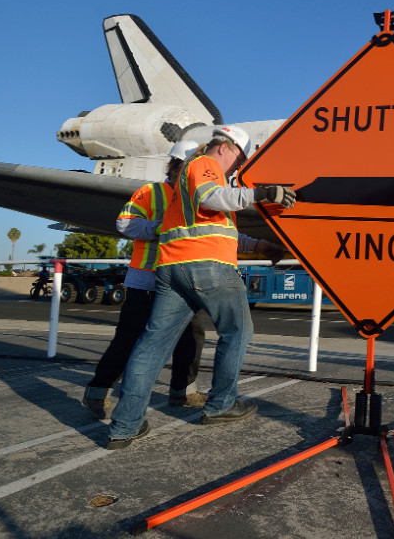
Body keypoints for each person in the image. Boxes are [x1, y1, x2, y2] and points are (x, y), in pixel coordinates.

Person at [106, 126, 295, 449]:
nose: (238, 167)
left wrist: (261, 246)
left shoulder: (183, 188)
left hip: (171, 270)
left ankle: (124, 426)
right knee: (237, 332)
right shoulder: (204, 165)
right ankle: (221, 405)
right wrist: (261, 193)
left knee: (152, 346)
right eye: (239, 159)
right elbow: (213, 198)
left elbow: (215, 230)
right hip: (208, 268)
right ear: (226, 147)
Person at [82, 140, 208, 420]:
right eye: (189, 168)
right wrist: (162, 227)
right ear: (175, 167)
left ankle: (183, 391)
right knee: (129, 338)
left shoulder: (197, 197)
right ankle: (97, 391)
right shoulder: (151, 192)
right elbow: (125, 224)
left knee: (191, 337)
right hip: (146, 281)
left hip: (184, 281)